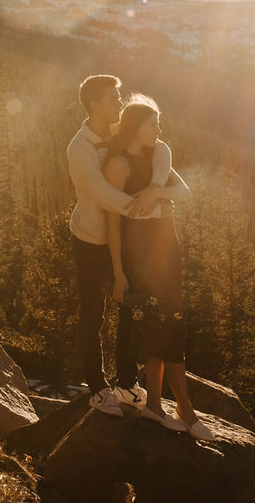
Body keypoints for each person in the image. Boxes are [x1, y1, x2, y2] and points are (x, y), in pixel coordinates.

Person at [67, 75, 188, 417]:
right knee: (93, 313)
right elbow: (106, 198)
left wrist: (156, 191)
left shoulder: (121, 130)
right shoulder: (79, 149)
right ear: (94, 104)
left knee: (130, 309)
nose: (119, 104)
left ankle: (124, 382)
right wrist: (157, 209)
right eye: (113, 98)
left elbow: (161, 155)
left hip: (124, 241)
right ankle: (97, 388)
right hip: (92, 240)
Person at [104, 94, 215, 440]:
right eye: (153, 123)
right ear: (136, 127)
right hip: (141, 257)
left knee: (168, 326)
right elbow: (113, 224)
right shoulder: (119, 165)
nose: (159, 129)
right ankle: (184, 407)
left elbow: (185, 193)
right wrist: (119, 272)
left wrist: (156, 192)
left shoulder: (157, 160)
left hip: (167, 250)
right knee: (163, 328)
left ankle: (155, 404)